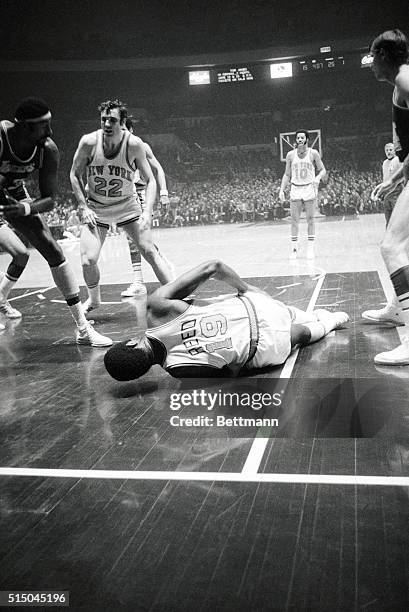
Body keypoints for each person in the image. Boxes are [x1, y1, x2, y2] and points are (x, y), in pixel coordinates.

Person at [103, 259, 349, 381]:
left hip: (266, 346)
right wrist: (246, 288)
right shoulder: (154, 309)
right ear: (132, 343)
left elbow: (231, 372)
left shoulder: (178, 370)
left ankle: (328, 323)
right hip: (254, 306)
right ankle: (320, 320)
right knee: (282, 313)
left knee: (299, 335)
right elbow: (214, 266)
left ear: (143, 371)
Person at [0, 96, 112, 346]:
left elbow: (50, 199)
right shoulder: (1, 136)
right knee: (21, 253)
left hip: (12, 195)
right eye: (44, 125)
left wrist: (24, 208)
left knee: (53, 249)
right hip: (4, 195)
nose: (50, 131)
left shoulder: (48, 149)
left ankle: (83, 330)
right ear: (24, 127)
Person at [70, 100, 173, 314]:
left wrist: (147, 210)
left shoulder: (134, 144)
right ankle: (94, 299)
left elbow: (150, 179)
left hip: (127, 206)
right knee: (88, 260)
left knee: (149, 251)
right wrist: (83, 206)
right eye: (103, 120)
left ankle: (176, 297)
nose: (107, 124)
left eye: (112, 120)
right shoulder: (89, 142)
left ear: (122, 122)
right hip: (97, 207)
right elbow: (74, 174)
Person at [361, 29, 409, 365]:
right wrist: (395, 178)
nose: (370, 63)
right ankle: (397, 306)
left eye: (372, 56)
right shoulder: (401, 83)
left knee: (392, 246)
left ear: (383, 56)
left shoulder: (405, 81)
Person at [120, 117, 174, 298]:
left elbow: (158, 169)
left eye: (123, 129)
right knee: (132, 239)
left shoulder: (141, 146)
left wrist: (164, 193)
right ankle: (143, 278)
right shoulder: (113, 149)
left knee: (139, 239)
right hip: (125, 197)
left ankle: (144, 280)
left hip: (141, 193)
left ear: (131, 130)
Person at [279, 130, 326, 260]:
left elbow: (323, 170)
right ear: (296, 140)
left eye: (302, 137)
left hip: (309, 187)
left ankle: (310, 249)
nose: (300, 139)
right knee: (294, 220)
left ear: (306, 139)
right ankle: (294, 249)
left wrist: (317, 178)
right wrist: (281, 189)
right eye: (298, 137)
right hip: (295, 188)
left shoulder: (313, 153)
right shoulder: (290, 155)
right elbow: (287, 174)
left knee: (310, 219)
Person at [376, 142, 404, 226]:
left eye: (391, 150)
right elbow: (385, 179)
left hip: (397, 191)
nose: (388, 152)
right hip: (387, 194)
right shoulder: (384, 163)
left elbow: (402, 176)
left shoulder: (398, 160)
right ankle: (389, 237)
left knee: (397, 218)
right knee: (388, 219)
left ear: (395, 151)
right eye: (387, 150)